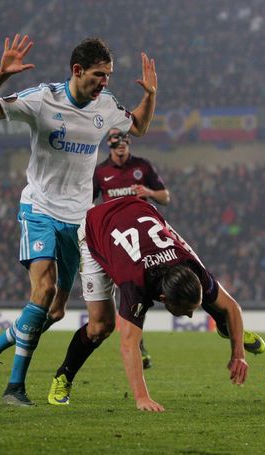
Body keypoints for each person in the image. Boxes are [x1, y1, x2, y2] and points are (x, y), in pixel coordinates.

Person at [0, 34, 157, 407]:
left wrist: (149, 94)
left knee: (53, 310)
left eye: (109, 75)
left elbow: (139, 127)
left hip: (78, 221)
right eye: (99, 75)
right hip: (39, 209)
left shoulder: (106, 105)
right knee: (43, 290)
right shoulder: (43, 99)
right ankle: (14, 388)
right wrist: (1, 75)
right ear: (77, 70)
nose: (105, 82)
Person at [46, 197, 265, 412]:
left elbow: (232, 307)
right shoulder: (135, 285)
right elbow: (128, 344)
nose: (190, 316)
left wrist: (238, 355)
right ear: (163, 298)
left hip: (141, 210)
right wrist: (142, 398)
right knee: (100, 327)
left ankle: (226, 327)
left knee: (213, 298)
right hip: (97, 227)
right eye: (187, 312)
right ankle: (64, 375)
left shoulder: (190, 266)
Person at [92, 128, 171, 369]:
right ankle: (139, 344)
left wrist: (148, 192)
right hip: (117, 239)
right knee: (130, 291)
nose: (122, 143)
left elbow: (165, 197)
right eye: (117, 140)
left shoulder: (142, 167)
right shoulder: (100, 172)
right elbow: (87, 201)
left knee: (149, 286)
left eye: (126, 140)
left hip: (145, 235)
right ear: (109, 145)